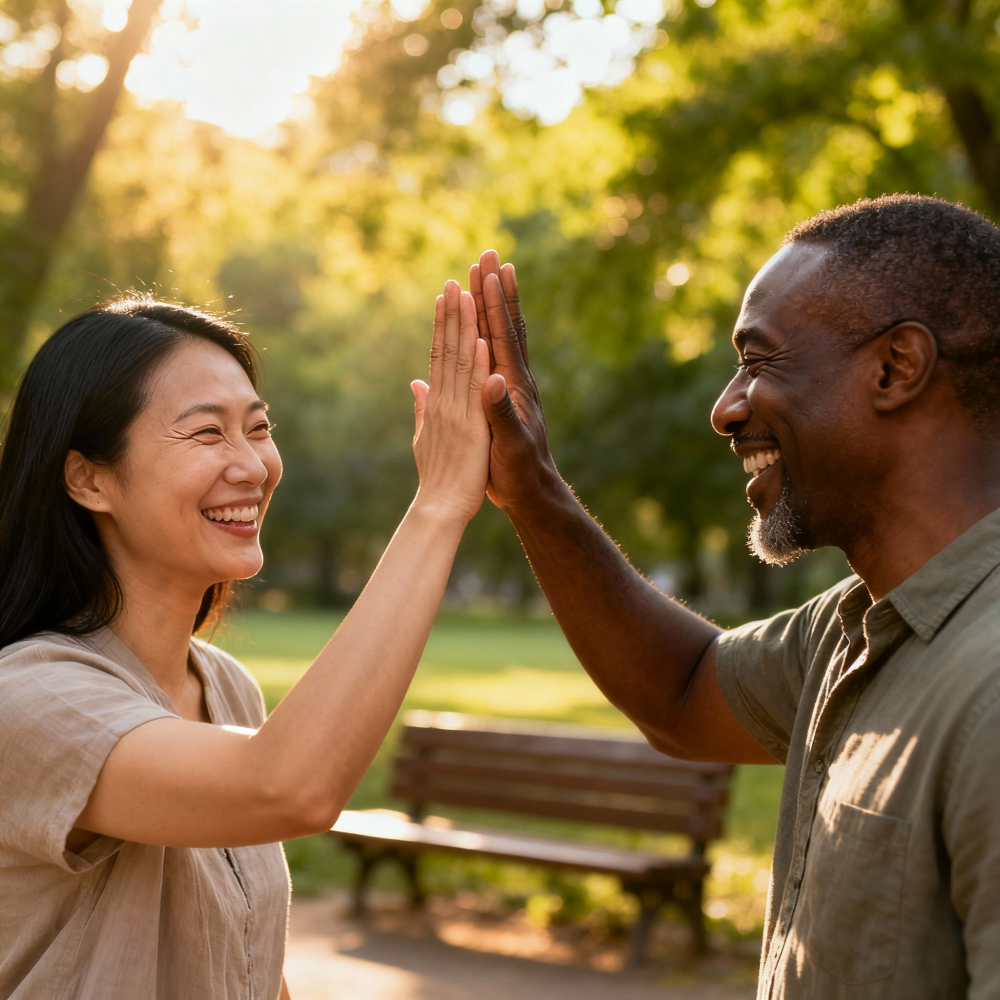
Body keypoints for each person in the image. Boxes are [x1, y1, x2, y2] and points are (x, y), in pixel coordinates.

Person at [468, 194, 1000, 998]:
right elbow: (681, 691)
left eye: (758, 360)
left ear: (896, 368)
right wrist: (532, 489)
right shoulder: (854, 630)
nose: (726, 408)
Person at [0, 283, 490, 999]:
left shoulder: (227, 688)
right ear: (89, 478)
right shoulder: (29, 697)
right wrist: (439, 503)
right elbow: (288, 786)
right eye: (207, 433)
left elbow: (245, 954)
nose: (252, 466)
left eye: (257, 428)